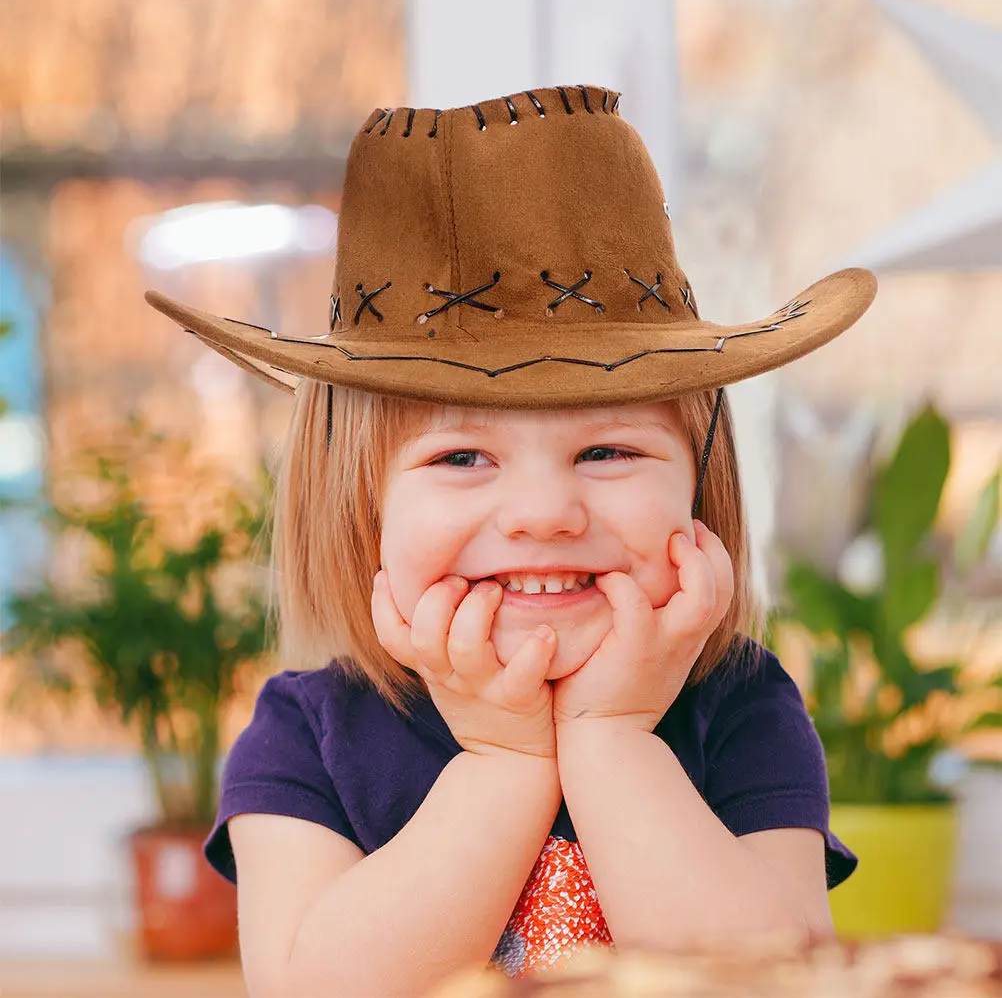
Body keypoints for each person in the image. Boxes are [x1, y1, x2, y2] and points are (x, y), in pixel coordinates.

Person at [146, 84, 876, 997]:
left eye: (606, 449)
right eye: (461, 457)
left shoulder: (741, 709)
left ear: (700, 489)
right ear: (359, 507)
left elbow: (777, 983)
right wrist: (505, 762)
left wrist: (611, 742)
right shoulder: (306, 736)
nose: (544, 512)